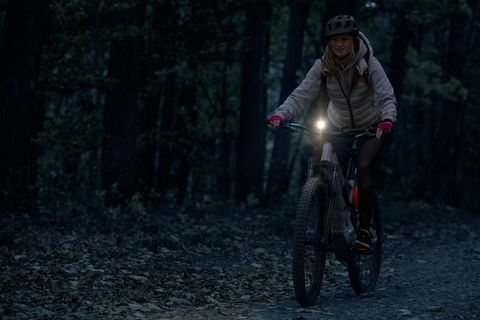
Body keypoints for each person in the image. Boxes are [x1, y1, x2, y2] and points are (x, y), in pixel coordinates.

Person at [267, 15, 397, 252]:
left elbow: (387, 95)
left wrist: (387, 118)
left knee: (365, 165)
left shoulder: (369, 63)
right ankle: (336, 219)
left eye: (344, 40)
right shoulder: (323, 65)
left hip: (371, 126)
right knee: (327, 164)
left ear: (354, 40)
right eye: (334, 40)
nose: (339, 45)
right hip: (339, 125)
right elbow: (302, 94)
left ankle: (365, 231)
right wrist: (281, 114)